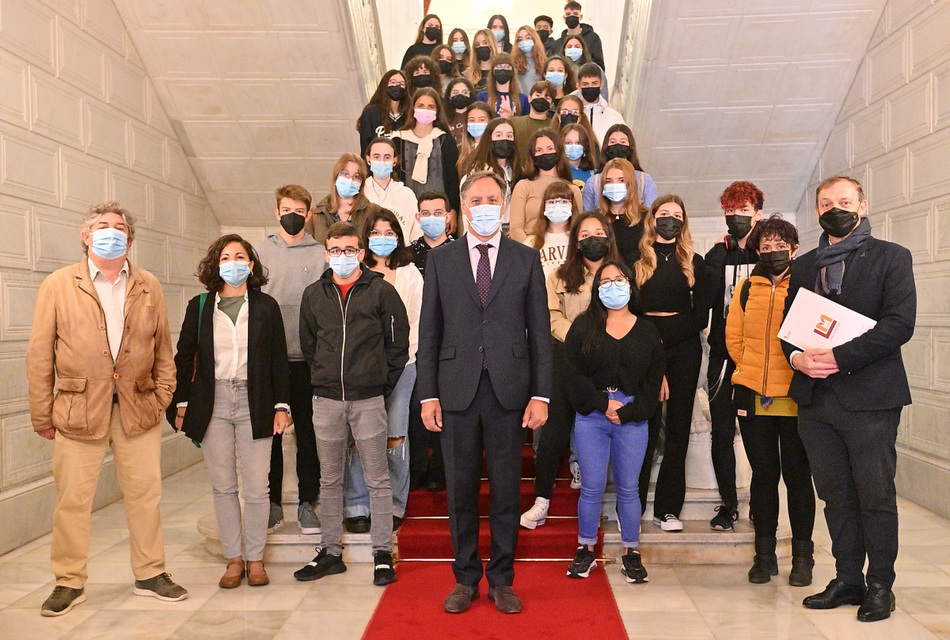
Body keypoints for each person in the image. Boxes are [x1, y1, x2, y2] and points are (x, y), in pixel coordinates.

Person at [27, 202, 187, 617]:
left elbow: (163, 350)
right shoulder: (59, 284)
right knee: (73, 500)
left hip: (138, 408)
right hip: (79, 410)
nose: (111, 232)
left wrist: (162, 396)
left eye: (119, 227)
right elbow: (40, 353)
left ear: (130, 239)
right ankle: (68, 581)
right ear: (86, 236)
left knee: (145, 495)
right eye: (102, 226)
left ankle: (151, 573)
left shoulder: (148, 285)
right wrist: (42, 413)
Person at [418, 170, 552, 615]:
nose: (484, 205)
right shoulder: (440, 261)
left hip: (509, 392)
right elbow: (430, 333)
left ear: (504, 201)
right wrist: (427, 394)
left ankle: (502, 580)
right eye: (476, 199)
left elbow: (541, 333)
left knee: (506, 492)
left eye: (492, 198)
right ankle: (465, 579)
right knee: (459, 492)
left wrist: (541, 394)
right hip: (455, 391)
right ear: (463, 207)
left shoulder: (526, 258)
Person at [783, 176, 916, 623]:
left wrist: (838, 357)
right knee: (835, 496)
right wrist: (798, 358)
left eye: (844, 201)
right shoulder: (803, 265)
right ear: (817, 211)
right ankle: (847, 577)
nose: (834, 208)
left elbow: (898, 324)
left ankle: (881, 585)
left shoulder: (892, 258)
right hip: (816, 401)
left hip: (871, 399)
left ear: (862, 204)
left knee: (874, 495)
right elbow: (789, 330)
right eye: (826, 203)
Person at [170, 234, 290, 589]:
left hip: (256, 400)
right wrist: (181, 402)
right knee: (223, 486)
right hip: (214, 401)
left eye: (240, 256)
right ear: (216, 264)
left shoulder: (266, 307)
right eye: (226, 256)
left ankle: (255, 559)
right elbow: (184, 356)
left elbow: (278, 360)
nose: (233, 262)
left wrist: (281, 405)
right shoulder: (201, 305)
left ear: (251, 265)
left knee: (256, 487)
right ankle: (233, 559)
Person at [294, 222, 409, 587]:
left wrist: (378, 382)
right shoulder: (314, 294)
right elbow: (309, 345)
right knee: (330, 480)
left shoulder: (380, 291)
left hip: (368, 399)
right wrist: (326, 378)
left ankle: (381, 553)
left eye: (349, 250)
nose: (341, 257)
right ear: (326, 254)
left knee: (377, 478)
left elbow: (398, 345)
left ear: (361, 253)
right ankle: (330, 552)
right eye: (335, 251)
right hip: (326, 401)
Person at [725, 215, 815, 586]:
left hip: (796, 397)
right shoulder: (746, 288)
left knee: (797, 478)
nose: (774, 252)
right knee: (763, 478)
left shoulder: (807, 287)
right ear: (757, 250)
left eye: (781, 246)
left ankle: (802, 557)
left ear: (794, 249)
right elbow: (733, 339)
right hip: (753, 396)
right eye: (766, 247)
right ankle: (763, 556)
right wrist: (748, 368)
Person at [564, 261, 665, 583]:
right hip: (592, 417)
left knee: (628, 489)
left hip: (632, 419)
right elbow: (572, 375)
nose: (612, 286)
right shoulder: (583, 326)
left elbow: (653, 384)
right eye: (605, 281)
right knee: (591, 488)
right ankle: (585, 549)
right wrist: (602, 404)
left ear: (631, 284)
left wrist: (628, 411)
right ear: (596, 289)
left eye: (618, 279)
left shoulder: (648, 331)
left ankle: (631, 552)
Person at [521, 211, 622, 530]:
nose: (593, 239)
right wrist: (580, 338)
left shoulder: (620, 275)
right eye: (585, 234)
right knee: (552, 434)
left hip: (609, 361)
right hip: (566, 357)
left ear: (608, 236)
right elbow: (550, 315)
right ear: (576, 242)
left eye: (598, 232)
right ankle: (541, 501)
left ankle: (616, 503)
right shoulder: (560, 276)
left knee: (610, 431)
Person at [634, 195, 710, 531]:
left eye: (676, 215)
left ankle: (667, 509)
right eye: (664, 214)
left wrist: (666, 341)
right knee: (643, 428)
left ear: (684, 222)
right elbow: (628, 310)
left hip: (684, 348)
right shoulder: (635, 260)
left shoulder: (696, 261)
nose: (670, 220)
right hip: (644, 348)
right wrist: (653, 345)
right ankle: (631, 504)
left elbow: (701, 315)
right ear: (652, 219)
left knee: (677, 427)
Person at [344, 210, 424, 532]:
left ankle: (393, 503)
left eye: (389, 232)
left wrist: (402, 360)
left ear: (398, 236)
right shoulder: (354, 271)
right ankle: (357, 503)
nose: (383, 238)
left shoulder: (409, 273)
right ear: (366, 237)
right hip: (360, 367)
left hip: (402, 365)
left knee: (394, 432)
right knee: (357, 435)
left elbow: (419, 320)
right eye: (376, 232)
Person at [257, 186, 326, 536]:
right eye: (286, 209)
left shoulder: (320, 253)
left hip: (307, 359)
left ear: (309, 214)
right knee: (269, 433)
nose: (293, 215)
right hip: (270, 360)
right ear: (276, 212)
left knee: (309, 435)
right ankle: (271, 503)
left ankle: (306, 501)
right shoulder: (261, 251)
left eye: (300, 210)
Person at [704, 180, 764, 531]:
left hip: (758, 357)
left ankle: (761, 501)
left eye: (744, 210)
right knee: (721, 434)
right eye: (730, 211)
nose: (736, 217)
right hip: (722, 357)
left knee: (757, 435)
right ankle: (728, 503)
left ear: (756, 213)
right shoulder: (717, 254)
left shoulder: (767, 255)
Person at [407, 191, 452, 491]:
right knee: (415, 406)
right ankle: (417, 468)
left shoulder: (461, 251)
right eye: (426, 213)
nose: (432, 218)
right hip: (413, 340)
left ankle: (440, 469)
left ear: (449, 217)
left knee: (447, 406)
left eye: (438, 212)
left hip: (450, 340)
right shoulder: (406, 255)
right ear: (417, 217)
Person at [391, 87, 461, 215]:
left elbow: (452, 180)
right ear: (413, 108)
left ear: (437, 111)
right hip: (406, 210)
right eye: (421, 105)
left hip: (440, 211)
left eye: (431, 107)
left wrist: (453, 211)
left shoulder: (445, 140)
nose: (425, 110)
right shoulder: (398, 140)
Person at [508, 128, 582, 242]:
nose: (545, 153)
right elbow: (515, 228)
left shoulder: (572, 189)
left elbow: (576, 228)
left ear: (558, 151)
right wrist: (532, 250)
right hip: (529, 249)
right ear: (532, 155)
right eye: (539, 150)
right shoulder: (523, 186)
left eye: (550, 148)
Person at [459, 118, 520, 226]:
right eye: (499, 135)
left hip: (513, 229)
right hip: (487, 229)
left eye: (509, 136)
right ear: (489, 139)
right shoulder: (477, 173)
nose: (504, 140)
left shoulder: (518, 170)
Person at [306, 153, 378, 245]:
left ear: (361, 182)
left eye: (356, 177)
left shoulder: (373, 212)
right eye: (345, 173)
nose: (350, 180)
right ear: (336, 176)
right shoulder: (316, 214)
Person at [582, 124, 657, 212]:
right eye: (613, 142)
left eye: (623, 142)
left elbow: (650, 214)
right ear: (606, 147)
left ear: (630, 147)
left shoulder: (645, 180)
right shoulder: (593, 182)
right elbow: (588, 215)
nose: (618, 145)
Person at [364, 137, 422, 241]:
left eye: (387, 157)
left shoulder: (407, 195)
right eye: (376, 157)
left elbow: (416, 234)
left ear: (395, 161)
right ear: (368, 159)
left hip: (401, 253)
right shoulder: (361, 192)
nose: (382, 161)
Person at [523, 179, 577, 280]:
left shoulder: (579, 238)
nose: (558, 206)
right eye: (552, 202)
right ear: (544, 206)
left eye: (564, 201)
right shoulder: (531, 242)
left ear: (572, 205)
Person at [597, 157, 647, 266]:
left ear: (631, 184)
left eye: (621, 180)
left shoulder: (647, 218)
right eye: (608, 181)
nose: (614, 185)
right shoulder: (596, 219)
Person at [357, 70, 410, 155]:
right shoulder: (371, 112)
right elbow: (365, 147)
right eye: (393, 82)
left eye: (401, 83)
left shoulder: (409, 113)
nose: (397, 86)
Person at [572, 63, 623, 144]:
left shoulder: (615, 117)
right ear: (578, 87)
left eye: (594, 83)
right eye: (585, 84)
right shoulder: (573, 115)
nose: (590, 87)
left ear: (601, 85)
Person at [555, 2, 606, 70]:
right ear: (564, 18)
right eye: (568, 14)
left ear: (581, 17)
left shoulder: (592, 38)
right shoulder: (558, 43)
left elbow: (599, 63)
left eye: (575, 14)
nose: (571, 16)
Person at [476, 52, 530, 117]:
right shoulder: (482, 97)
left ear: (512, 71)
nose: (502, 69)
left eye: (507, 67)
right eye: (498, 67)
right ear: (492, 71)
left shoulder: (523, 99)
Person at [511, 80, 555, 151]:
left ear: (551, 104)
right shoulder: (515, 122)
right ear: (529, 98)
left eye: (547, 98)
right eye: (538, 95)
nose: (541, 99)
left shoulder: (554, 126)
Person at [561, 36, 608, 100]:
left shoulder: (595, 69)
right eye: (569, 47)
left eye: (577, 46)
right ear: (564, 49)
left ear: (583, 49)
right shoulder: (559, 70)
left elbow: (604, 94)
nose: (573, 49)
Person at [458, 101, 494, 170]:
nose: (476, 123)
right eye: (472, 120)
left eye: (481, 120)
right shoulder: (463, 152)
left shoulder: (495, 149)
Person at [562, 122, 597, 188]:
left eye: (578, 142)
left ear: (585, 145)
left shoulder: (593, 174)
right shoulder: (556, 172)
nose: (573, 146)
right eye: (568, 143)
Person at [444, 77, 475, 147]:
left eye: (465, 92)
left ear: (471, 95)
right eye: (455, 92)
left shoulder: (477, 117)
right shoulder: (443, 118)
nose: (460, 95)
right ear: (449, 96)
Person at [513, 25, 546, 91]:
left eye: (528, 38)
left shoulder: (544, 62)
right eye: (520, 39)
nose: (524, 41)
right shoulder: (513, 63)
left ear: (534, 39)